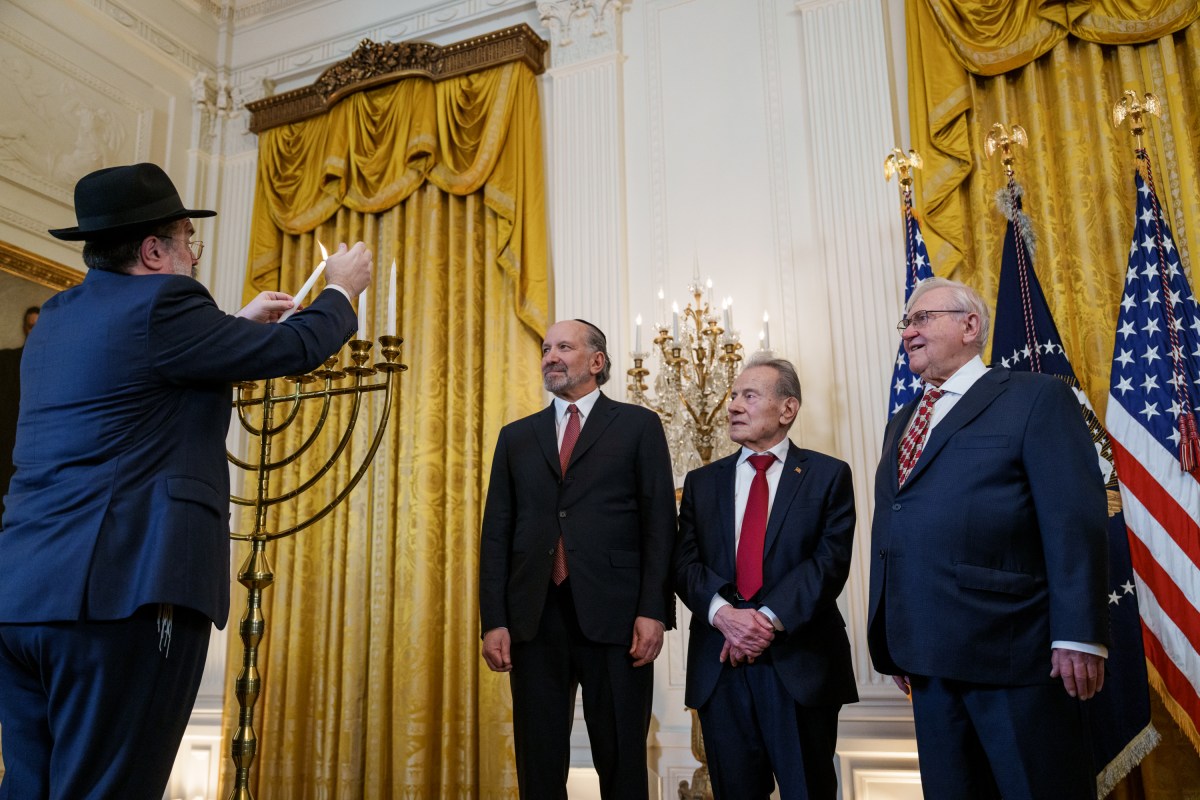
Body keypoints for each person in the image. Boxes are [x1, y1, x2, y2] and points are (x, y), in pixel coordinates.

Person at [0, 162, 372, 800]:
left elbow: (141, 376)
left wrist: (232, 329)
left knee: (31, 788)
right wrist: (340, 290)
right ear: (153, 251)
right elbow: (295, 349)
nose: (193, 255)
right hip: (121, 596)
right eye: (187, 241)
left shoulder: (57, 316)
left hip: (24, 597)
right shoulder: (166, 303)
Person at [867, 276, 1109, 799]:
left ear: (969, 325)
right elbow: (897, 520)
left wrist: (1078, 634)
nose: (907, 332)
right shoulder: (902, 422)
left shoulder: (1035, 398)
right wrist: (891, 632)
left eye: (921, 318)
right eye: (906, 322)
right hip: (924, 656)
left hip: (1013, 652)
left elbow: (1073, 518)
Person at [478, 318, 677, 800]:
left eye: (564, 347)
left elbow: (659, 527)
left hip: (618, 617)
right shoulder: (516, 437)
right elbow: (496, 534)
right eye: (547, 348)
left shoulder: (638, 426)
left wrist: (653, 611)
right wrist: (494, 620)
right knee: (539, 763)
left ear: (596, 361)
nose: (550, 356)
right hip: (534, 617)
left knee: (622, 760)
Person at [674, 356, 857, 799]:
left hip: (800, 664)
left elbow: (828, 563)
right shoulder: (701, 482)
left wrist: (763, 622)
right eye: (734, 395)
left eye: (749, 396)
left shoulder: (828, 475)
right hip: (721, 667)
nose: (734, 405)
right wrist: (725, 616)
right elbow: (683, 562)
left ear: (787, 408)